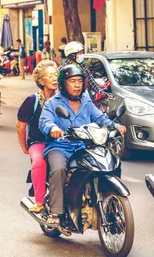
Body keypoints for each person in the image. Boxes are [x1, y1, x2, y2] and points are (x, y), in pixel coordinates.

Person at [39, 65, 126, 225]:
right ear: (63, 84)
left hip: (84, 146)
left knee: (111, 162)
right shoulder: (52, 103)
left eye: (79, 81)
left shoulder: (86, 102)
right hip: (60, 147)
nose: (77, 85)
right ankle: (55, 212)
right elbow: (45, 121)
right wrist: (53, 128)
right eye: (73, 81)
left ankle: (110, 200)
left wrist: (115, 126)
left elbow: (100, 118)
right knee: (59, 169)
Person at [16, 61, 58, 213]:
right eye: (50, 76)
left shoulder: (63, 99)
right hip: (39, 142)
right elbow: (21, 125)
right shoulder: (32, 101)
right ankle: (39, 201)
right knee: (39, 162)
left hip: (61, 143)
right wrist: (24, 147)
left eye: (56, 75)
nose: (55, 79)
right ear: (40, 81)